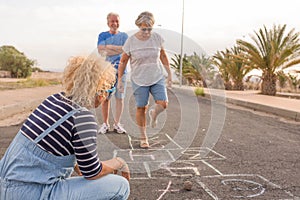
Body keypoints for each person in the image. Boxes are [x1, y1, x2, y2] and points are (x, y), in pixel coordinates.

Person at [0, 55, 130, 199]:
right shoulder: (83, 118)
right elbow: (92, 172)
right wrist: (118, 162)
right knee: (120, 186)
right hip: (31, 193)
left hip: (4, 187)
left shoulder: (52, 100)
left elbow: (81, 167)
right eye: (108, 92)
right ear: (100, 91)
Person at [117, 11, 172, 149]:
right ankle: (143, 137)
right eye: (143, 28)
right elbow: (123, 61)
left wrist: (169, 74)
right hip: (139, 78)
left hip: (157, 76)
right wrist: (119, 80)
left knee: (163, 103)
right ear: (139, 26)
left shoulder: (157, 38)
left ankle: (154, 114)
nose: (146, 31)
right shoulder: (131, 41)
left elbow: (163, 56)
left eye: (149, 28)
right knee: (142, 107)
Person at [97, 12, 128, 134]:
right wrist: (118, 49)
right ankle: (105, 124)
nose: (114, 23)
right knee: (105, 98)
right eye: (112, 21)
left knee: (120, 98)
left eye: (116, 21)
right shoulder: (103, 35)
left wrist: (108, 47)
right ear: (108, 23)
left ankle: (117, 124)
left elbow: (126, 51)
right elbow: (101, 51)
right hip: (107, 71)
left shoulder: (124, 36)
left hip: (122, 70)